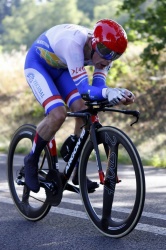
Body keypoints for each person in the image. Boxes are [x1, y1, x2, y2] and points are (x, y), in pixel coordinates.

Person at [24, 19, 135, 193]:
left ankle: (76, 169)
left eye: (115, 55)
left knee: (84, 109)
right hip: (38, 64)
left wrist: (117, 95)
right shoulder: (75, 43)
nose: (108, 59)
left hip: (62, 68)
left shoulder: (106, 54)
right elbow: (84, 89)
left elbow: (98, 88)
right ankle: (31, 159)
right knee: (58, 114)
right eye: (105, 52)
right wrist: (108, 92)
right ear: (94, 42)